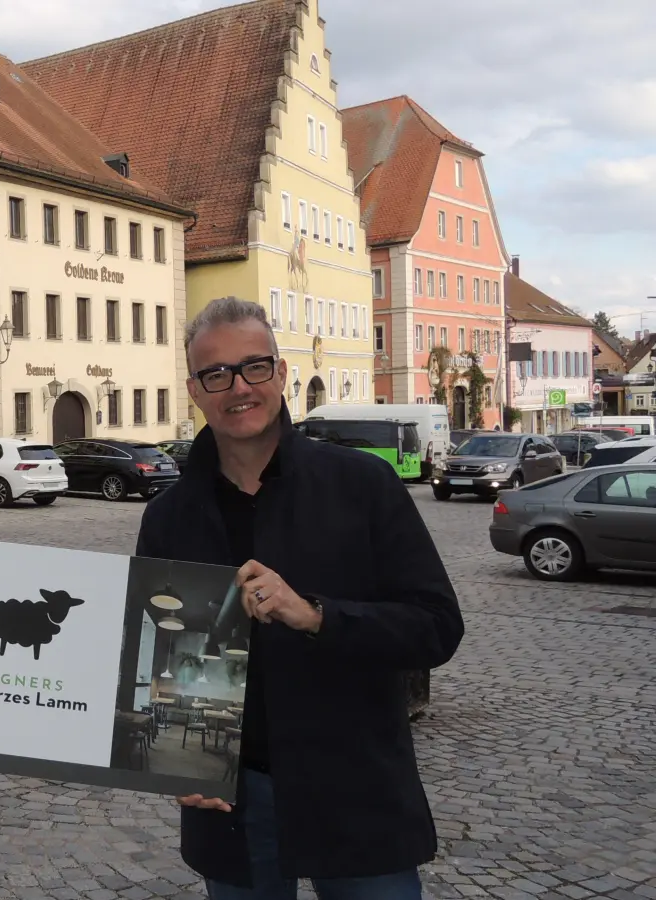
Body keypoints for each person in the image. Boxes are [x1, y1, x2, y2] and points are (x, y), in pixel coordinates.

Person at [135, 296, 464, 899]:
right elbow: (158, 655)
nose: (240, 387)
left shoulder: (363, 484)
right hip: (232, 800)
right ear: (195, 390)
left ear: (281, 373)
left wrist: (315, 615)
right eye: (217, 374)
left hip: (357, 788)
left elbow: (437, 627)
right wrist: (174, 757)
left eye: (254, 367)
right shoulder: (168, 516)